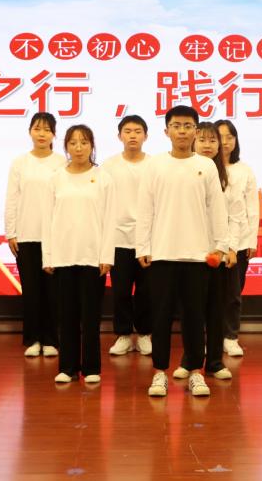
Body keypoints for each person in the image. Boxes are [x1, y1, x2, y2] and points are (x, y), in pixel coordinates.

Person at [136, 105, 229, 398]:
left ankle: (196, 373)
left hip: (198, 255)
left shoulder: (206, 166)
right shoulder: (154, 165)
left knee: (195, 318)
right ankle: (159, 373)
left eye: (188, 126)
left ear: (196, 131)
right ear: (166, 131)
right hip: (162, 254)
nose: (182, 131)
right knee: (160, 317)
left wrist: (220, 245)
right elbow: (145, 208)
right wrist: (143, 246)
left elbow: (217, 208)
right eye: (176, 126)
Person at [41, 125, 115, 384]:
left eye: (84, 142)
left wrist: (106, 256)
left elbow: (110, 220)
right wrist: (48, 256)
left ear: (92, 145)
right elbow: (47, 219)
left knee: (91, 316)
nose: (79, 148)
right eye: (73, 143)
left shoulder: (103, 178)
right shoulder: (56, 178)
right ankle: (68, 367)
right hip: (63, 256)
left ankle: (92, 368)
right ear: (66, 147)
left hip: (93, 257)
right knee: (67, 315)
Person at [172, 122, 239, 383]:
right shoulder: (183, 172)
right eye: (202, 140)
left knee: (215, 310)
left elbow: (236, 216)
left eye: (213, 140)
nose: (208, 145)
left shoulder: (231, 176)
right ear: (193, 141)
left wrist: (230, 247)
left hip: (219, 254)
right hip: (192, 252)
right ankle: (189, 361)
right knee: (190, 311)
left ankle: (214, 362)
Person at [5, 112, 64, 358]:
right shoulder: (20, 163)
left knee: (53, 291)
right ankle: (33, 339)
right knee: (31, 290)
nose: (42, 134)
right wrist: (11, 232)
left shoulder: (61, 163)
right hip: (26, 234)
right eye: (37, 129)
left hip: (54, 236)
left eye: (47, 130)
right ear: (30, 131)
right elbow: (12, 198)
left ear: (54, 134)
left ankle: (51, 339)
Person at [102, 115, 153, 357]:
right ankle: (123, 335)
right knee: (121, 291)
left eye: (138, 131)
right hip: (118, 238)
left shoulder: (154, 165)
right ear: (119, 135)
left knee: (146, 291)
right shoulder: (108, 166)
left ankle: (144, 334)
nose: (133, 135)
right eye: (128, 131)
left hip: (147, 239)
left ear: (146, 136)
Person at [215, 119, 259, 359]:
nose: (225, 142)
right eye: (220, 137)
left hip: (239, 243)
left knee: (233, 294)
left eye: (229, 137)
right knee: (209, 295)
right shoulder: (205, 167)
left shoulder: (244, 170)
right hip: (211, 244)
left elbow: (251, 208)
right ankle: (210, 337)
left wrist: (251, 241)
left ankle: (230, 337)